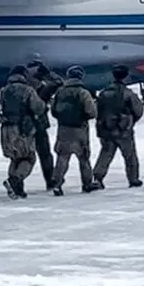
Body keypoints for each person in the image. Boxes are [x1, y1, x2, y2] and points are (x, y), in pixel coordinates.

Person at [0, 64, 45, 199]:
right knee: (28, 157)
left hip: (6, 128)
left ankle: (17, 189)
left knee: (15, 157)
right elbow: (38, 107)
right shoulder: (27, 90)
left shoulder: (4, 90)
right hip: (22, 128)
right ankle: (15, 180)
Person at [92, 65, 144, 189]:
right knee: (130, 156)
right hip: (123, 131)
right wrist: (129, 121)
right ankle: (133, 179)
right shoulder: (128, 94)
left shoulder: (104, 93)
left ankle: (98, 178)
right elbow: (138, 110)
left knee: (105, 154)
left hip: (106, 129)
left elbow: (96, 110)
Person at [48, 65, 97, 195]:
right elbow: (91, 112)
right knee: (84, 158)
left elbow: (53, 110)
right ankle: (87, 184)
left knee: (62, 158)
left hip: (63, 129)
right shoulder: (83, 92)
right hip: (80, 129)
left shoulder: (60, 92)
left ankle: (57, 184)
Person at [25, 61, 62, 189]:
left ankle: (16, 180)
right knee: (45, 154)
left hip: (23, 126)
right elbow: (58, 82)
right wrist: (48, 73)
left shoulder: (20, 88)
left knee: (21, 156)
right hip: (39, 124)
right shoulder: (42, 90)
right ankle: (50, 180)